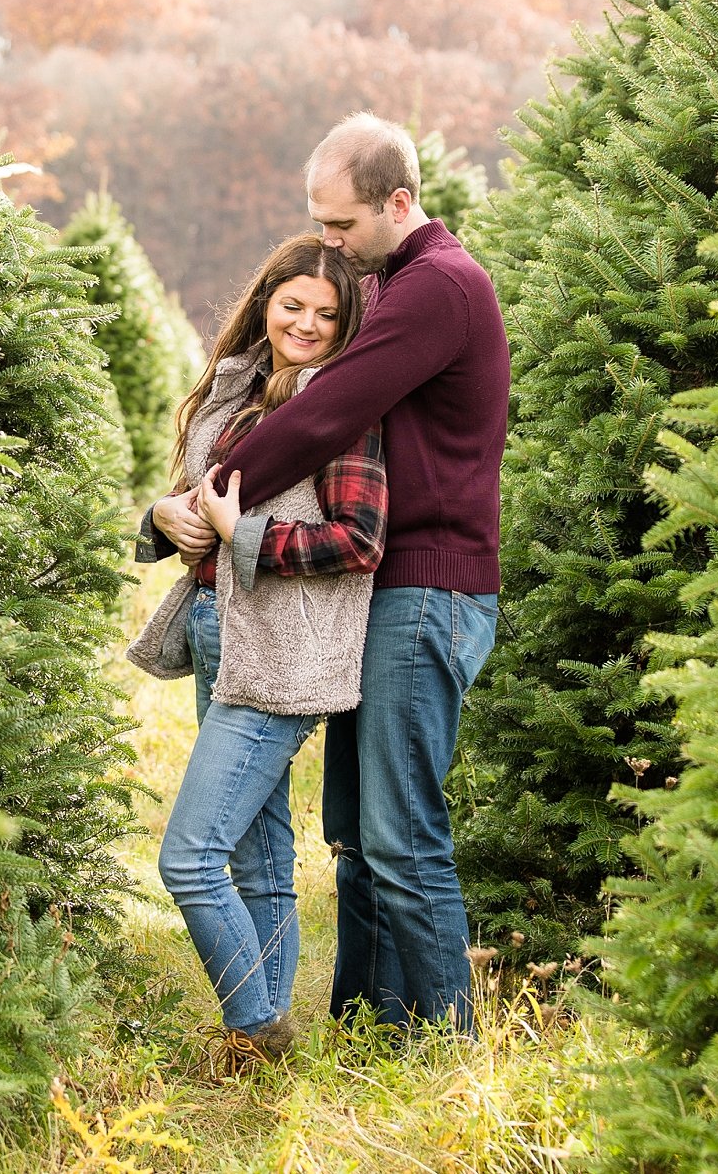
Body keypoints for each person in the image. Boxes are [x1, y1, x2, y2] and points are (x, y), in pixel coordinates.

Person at [203, 113, 506, 1033]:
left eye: (339, 226)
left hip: (427, 591)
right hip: (388, 595)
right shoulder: (399, 282)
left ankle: (452, 1047)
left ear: (398, 203)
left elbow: (334, 407)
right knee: (359, 838)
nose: (327, 244)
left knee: (402, 837)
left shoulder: (438, 287)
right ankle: (372, 1029)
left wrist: (221, 489)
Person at [126, 235, 386, 1071]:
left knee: (190, 857)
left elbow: (360, 538)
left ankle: (252, 1026)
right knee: (259, 850)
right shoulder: (234, 383)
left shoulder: (342, 406)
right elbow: (195, 498)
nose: (305, 323)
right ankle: (265, 1038)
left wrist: (253, 537)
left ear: (346, 325)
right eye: (292, 304)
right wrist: (164, 515)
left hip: (284, 651)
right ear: (265, 299)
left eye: (326, 313)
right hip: (215, 626)